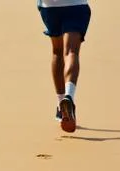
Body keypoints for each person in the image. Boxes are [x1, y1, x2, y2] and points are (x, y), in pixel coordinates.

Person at [37, 0, 91, 133]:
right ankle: (69, 95)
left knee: (57, 51)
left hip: (50, 7)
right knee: (71, 52)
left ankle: (61, 105)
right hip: (75, 5)